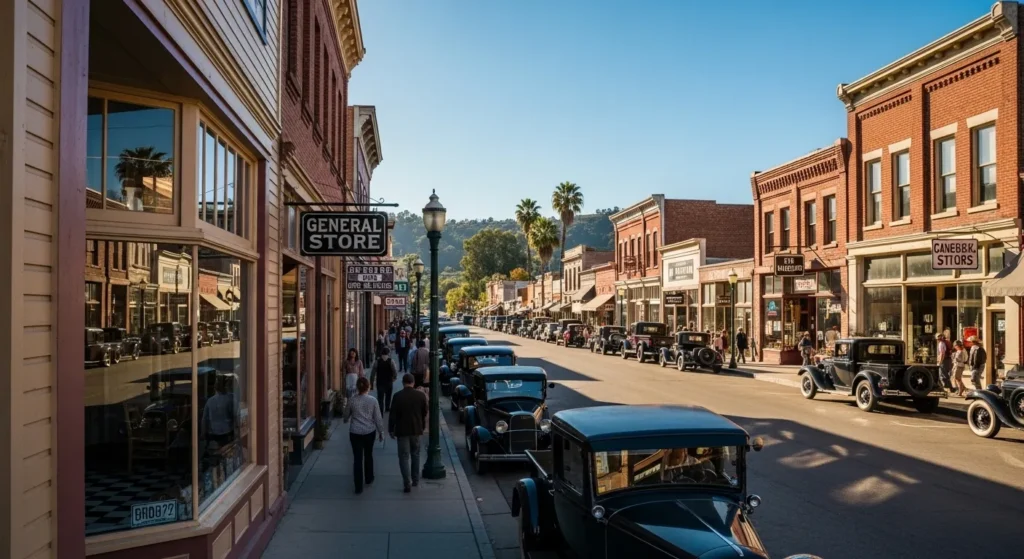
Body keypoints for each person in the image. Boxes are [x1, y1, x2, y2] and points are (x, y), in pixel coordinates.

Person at [343, 377, 384, 494]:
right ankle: (369, 477)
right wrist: (381, 432)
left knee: (357, 458)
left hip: (355, 432)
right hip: (369, 431)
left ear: (357, 387)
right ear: (368, 387)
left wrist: (346, 419)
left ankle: (358, 486)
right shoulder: (373, 400)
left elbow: (346, 415)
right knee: (368, 454)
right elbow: (378, 418)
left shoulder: (352, 400)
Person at [389, 373, 428, 492]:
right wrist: (422, 425)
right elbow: (424, 413)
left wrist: (391, 429)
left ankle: (407, 482)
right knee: (415, 454)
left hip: (402, 430)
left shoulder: (397, 396)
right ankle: (415, 479)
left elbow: (393, 415)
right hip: (416, 429)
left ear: (403, 383)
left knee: (404, 457)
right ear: (413, 382)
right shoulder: (420, 396)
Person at [201, 375, 236, 447]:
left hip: (213, 435)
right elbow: (235, 416)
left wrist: (203, 434)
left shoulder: (210, 401)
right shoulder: (230, 398)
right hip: (227, 433)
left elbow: (204, 419)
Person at [370, 347, 397, 413]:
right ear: (388, 353)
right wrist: (394, 377)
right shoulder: (391, 361)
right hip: (389, 381)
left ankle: (380, 408)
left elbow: (373, 373)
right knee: (388, 395)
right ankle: (387, 407)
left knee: (380, 397)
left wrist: (371, 383)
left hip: (380, 381)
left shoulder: (377, 361)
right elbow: (395, 371)